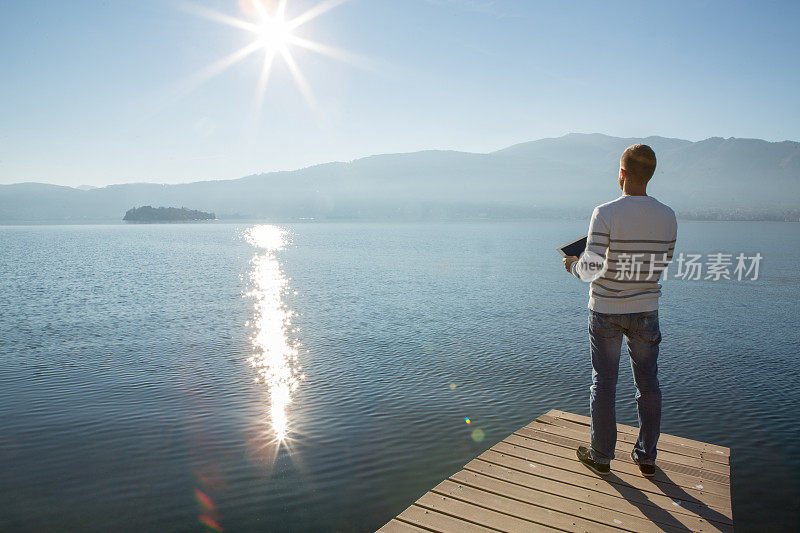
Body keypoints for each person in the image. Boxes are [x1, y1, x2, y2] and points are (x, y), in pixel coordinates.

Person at [563, 144, 677, 477]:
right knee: (648, 383)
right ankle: (646, 456)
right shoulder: (667, 215)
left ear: (622, 174)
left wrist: (572, 264)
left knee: (604, 382)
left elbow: (590, 268)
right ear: (650, 175)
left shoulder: (605, 212)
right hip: (646, 309)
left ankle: (601, 455)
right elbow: (663, 261)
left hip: (606, 311)